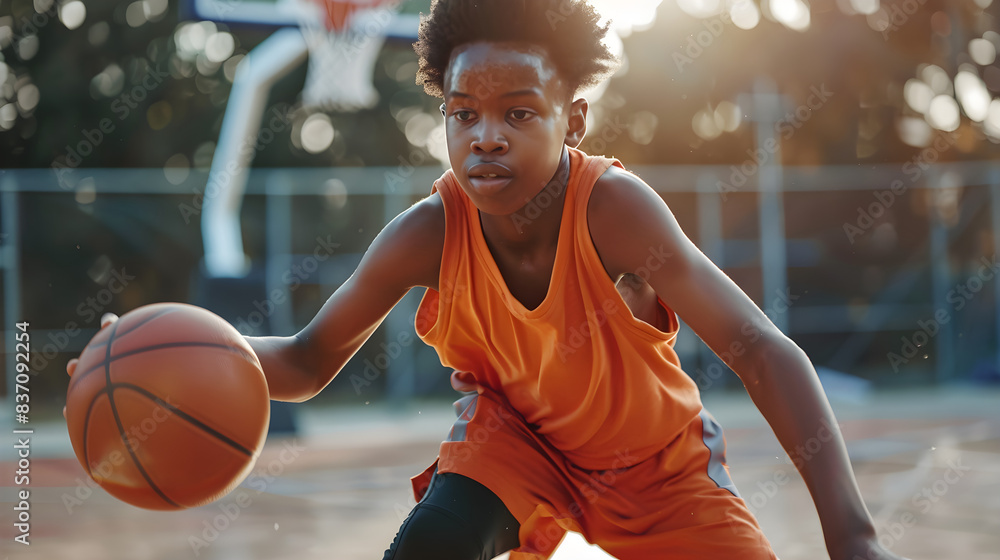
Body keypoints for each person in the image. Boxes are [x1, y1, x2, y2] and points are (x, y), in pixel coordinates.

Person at [67, 1, 912, 558]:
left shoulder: (614, 209)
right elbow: (305, 357)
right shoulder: (427, 232)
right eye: (463, 113)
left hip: (659, 472)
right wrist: (144, 357)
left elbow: (761, 349)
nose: (486, 138)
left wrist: (853, 534)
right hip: (514, 448)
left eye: (518, 112)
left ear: (573, 120)